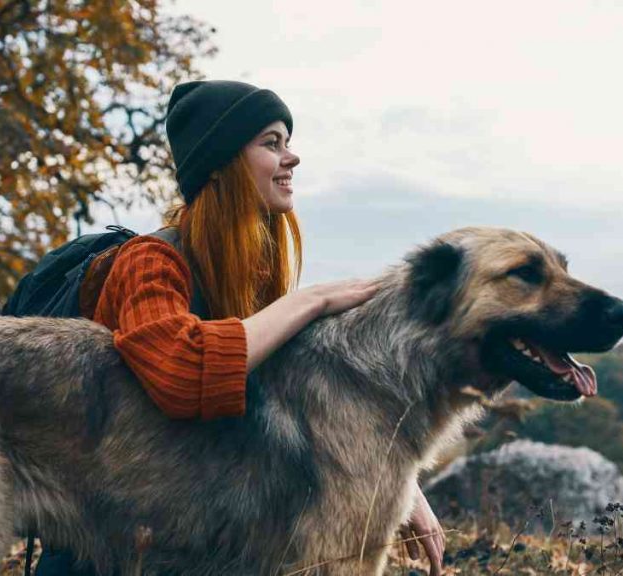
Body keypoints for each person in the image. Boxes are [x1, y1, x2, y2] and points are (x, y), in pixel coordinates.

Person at [34, 80, 444, 575]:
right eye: (271, 143)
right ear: (222, 162)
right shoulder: (148, 263)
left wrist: (401, 487)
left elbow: (307, 402)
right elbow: (182, 373)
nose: (291, 158)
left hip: (196, 541)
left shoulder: (251, 278)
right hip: (107, 550)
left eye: (287, 142)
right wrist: (312, 300)